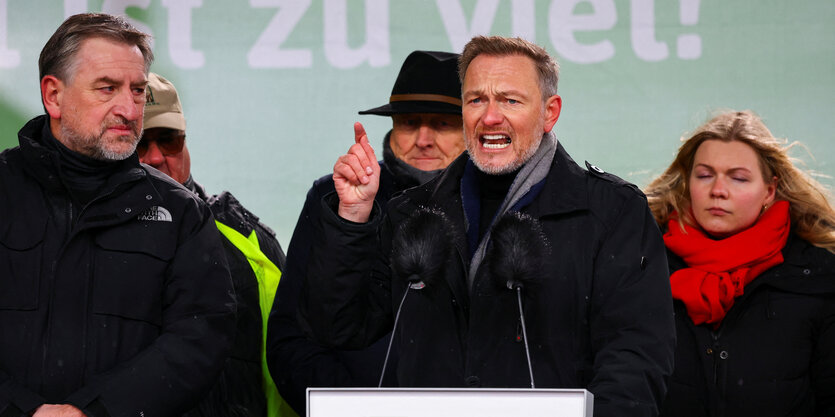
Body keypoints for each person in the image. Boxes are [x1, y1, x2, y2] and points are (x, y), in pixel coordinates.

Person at [297, 36, 675, 417]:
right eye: (476, 99)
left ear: (549, 112)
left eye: (510, 100)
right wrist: (353, 216)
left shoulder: (612, 212)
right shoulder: (411, 211)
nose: (490, 117)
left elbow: (635, 356)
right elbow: (339, 326)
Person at [0, 13, 235, 417]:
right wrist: (21, 409)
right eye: (107, 89)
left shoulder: (180, 213)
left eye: (138, 90)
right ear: (53, 96)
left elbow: (200, 337)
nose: (129, 108)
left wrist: (96, 410)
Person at [266, 50, 465, 415]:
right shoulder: (333, 197)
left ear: (472, 128)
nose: (423, 138)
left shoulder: (496, 201)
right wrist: (357, 408)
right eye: (409, 122)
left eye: (442, 124)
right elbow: (291, 338)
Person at [644, 110, 835, 416]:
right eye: (704, 175)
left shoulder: (818, 275)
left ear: (769, 191)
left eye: (738, 178)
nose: (718, 190)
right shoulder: (642, 265)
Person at [139, 73, 292, 417]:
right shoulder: (80, 236)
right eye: (138, 143)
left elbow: (286, 364)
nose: (155, 157)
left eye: (169, 140)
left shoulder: (247, 238)